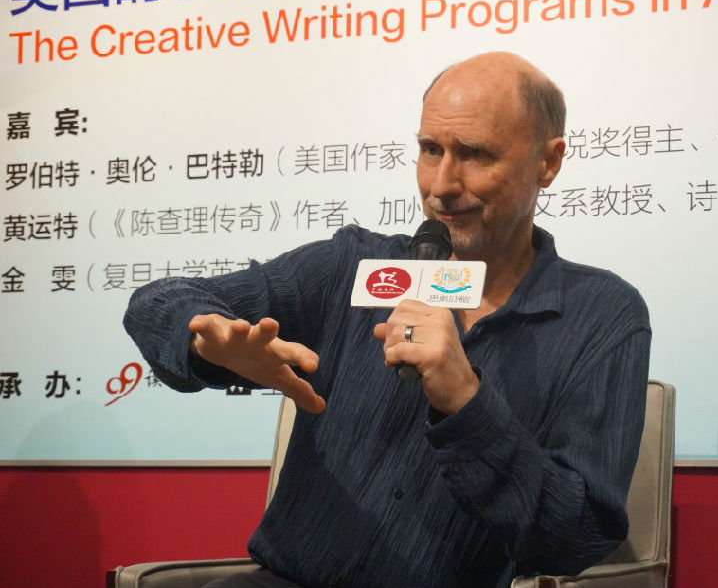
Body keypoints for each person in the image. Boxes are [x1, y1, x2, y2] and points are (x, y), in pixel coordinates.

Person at [124, 51, 651, 588]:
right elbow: (157, 300)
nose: (441, 186)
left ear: (549, 162)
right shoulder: (353, 265)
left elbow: (577, 536)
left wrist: (467, 403)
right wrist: (204, 333)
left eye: (474, 154)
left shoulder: (602, 315)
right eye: (430, 149)